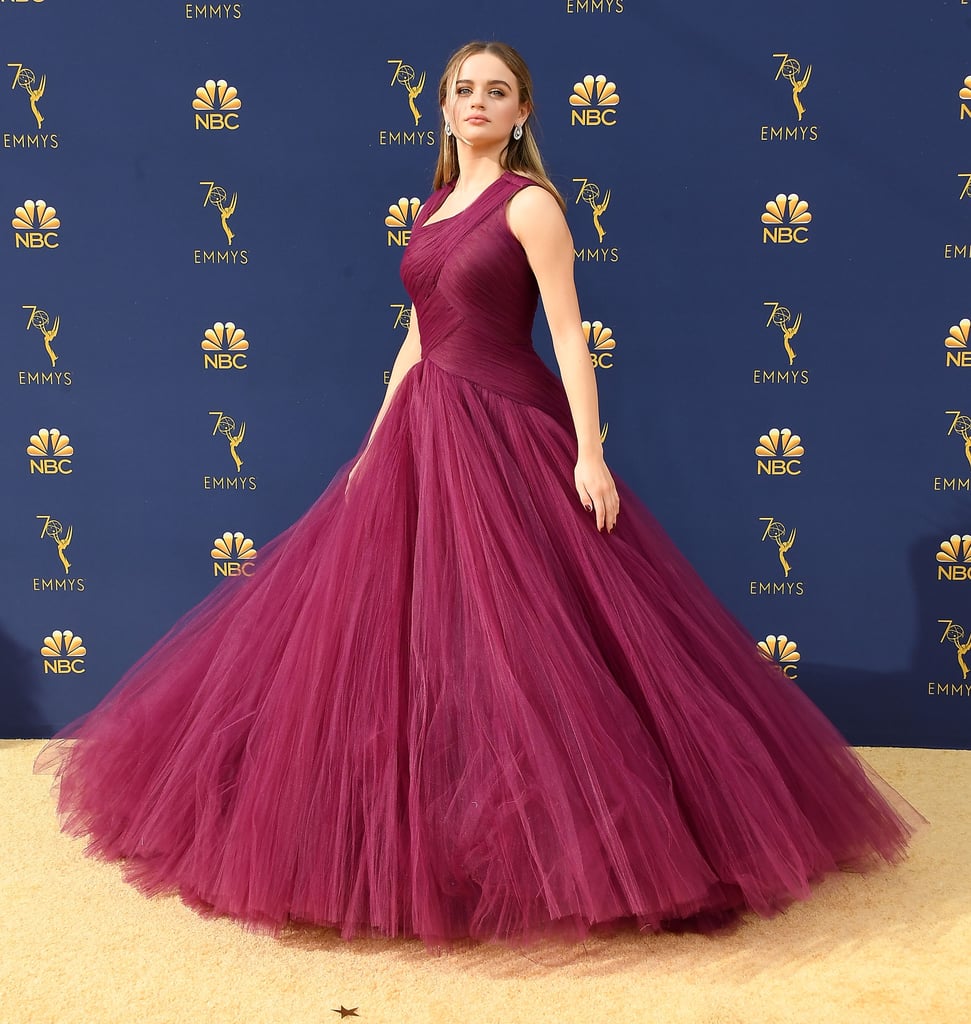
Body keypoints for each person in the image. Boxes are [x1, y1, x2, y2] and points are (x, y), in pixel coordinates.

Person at [35, 41, 921, 955]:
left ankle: (572, 845)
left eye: (496, 91)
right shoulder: (434, 206)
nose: (477, 102)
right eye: (464, 89)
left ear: (523, 111)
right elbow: (417, 341)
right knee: (409, 639)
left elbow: (571, 336)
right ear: (442, 105)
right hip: (425, 425)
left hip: (507, 428)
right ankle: (430, 829)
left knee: (530, 643)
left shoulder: (530, 205)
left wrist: (589, 454)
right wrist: (374, 446)